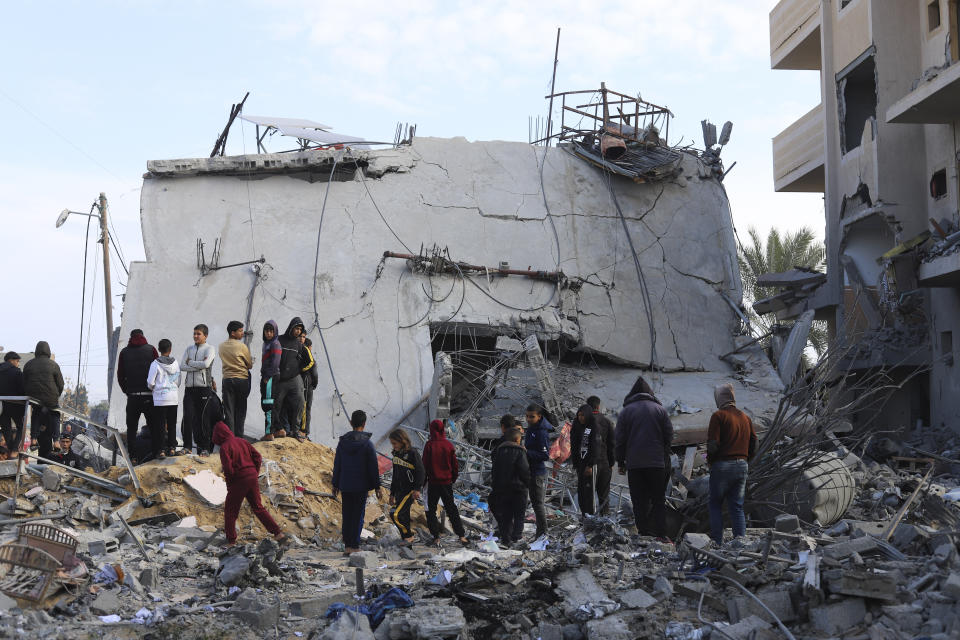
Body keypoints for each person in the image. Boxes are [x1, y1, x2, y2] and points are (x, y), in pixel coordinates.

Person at [615, 376, 673, 541]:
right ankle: (661, 534)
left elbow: (619, 440)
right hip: (656, 464)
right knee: (658, 499)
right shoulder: (660, 410)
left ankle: (644, 533)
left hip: (635, 465)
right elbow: (669, 435)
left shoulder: (626, 412)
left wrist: (620, 461)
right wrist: (663, 453)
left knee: (639, 500)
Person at [212, 421, 286, 546]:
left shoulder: (225, 447)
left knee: (231, 510)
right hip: (251, 476)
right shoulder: (242, 441)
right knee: (258, 507)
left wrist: (231, 485)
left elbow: (228, 469)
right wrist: (254, 471)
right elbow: (258, 456)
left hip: (239, 480)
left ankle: (231, 541)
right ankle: (278, 534)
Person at [707, 383, 758, 547]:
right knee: (736, 506)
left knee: (715, 504)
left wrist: (710, 461)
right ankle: (740, 544)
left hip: (722, 465)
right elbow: (754, 443)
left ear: (719, 399)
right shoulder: (745, 417)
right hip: (742, 466)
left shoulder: (718, 416)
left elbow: (713, 444)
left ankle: (717, 543)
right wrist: (746, 459)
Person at [332, 410, 382, 554]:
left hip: (345, 485)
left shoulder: (342, 443)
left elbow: (338, 465)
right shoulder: (367, 444)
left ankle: (348, 545)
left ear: (351, 423)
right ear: (364, 424)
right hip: (361, 486)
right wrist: (377, 486)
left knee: (347, 514)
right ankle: (354, 545)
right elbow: (373, 467)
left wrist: (335, 484)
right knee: (358, 515)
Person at [422, 419, 468, 545]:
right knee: (451, 508)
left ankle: (436, 537)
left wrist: (422, 482)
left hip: (432, 483)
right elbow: (455, 465)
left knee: (430, 510)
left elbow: (424, 465)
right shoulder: (448, 445)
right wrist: (452, 479)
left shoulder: (429, 445)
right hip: (446, 482)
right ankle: (461, 535)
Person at [117, 329, 159, 464]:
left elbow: (120, 375)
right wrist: (154, 389)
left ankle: (133, 457)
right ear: (143, 336)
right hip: (149, 396)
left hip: (133, 396)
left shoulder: (124, 352)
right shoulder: (151, 350)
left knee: (132, 429)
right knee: (154, 426)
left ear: (130, 337)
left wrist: (127, 390)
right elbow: (159, 371)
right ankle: (157, 453)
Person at [22, 341, 64, 459]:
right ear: (48, 351)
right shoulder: (53, 365)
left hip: (34, 397)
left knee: (36, 414)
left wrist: (28, 394)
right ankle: (56, 441)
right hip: (51, 397)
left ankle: (34, 439)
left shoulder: (28, 364)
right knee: (55, 414)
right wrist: (56, 396)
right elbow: (60, 384)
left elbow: (23, 382)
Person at [490, 426, 530, 548]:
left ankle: (505, 539)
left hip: (502, 490)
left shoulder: (498, 451)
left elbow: (494, 471)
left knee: (506, 515)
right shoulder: (520, 452)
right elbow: (524, 471)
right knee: (519, 515)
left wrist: (496, 487)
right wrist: (528, 484)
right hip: (518, 489)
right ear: (518, 440)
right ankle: (516, 537)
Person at [181, 324, 216, 456]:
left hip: (204, 389)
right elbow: (181, 366)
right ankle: (187, 446)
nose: (195, 336)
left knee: (203, 419)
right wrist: (197, 365)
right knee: (188, 417)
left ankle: (205, 448)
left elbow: (206, 364)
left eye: (198, 334)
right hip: (189, 389)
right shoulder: (189, 349)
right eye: (194, 333)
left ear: (205, 336)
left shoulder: (210, 349)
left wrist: (190, 363)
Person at [570, 404, 607, 518]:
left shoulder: (593, 427)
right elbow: (574, 445)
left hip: (590, 464)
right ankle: (584, 516)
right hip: (580, 463)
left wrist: (590, 465)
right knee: (582, 492)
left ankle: (591, 517)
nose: (581, 417)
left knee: (589, 492)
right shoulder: (576, 426)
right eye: (579, 415)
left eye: (583, 415)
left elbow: (596, 447)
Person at [388, 428, 425, 545]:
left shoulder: (413, 453)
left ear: (402, 440)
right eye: (392, 444)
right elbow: (395, 475)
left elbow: (421, 471)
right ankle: (406, 539)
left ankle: (408, 535)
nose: (393, 446)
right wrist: (392, 493)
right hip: (399, 490)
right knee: (403, 515)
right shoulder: (396, 455)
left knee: (395, 514)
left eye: (395, 443)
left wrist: (417, 488)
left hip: (409, 490)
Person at [147, 338, 181, 457]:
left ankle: (161, 450)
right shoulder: (175, 363)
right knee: (172, 425)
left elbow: (150, 382)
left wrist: (156, 389)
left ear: (159, 349)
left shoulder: (155, 364)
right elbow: (178, 380)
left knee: (160, 426)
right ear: (170, 349)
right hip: (173, 398)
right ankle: (172, 448)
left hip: (160, 400)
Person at [275, 317, 308, 441]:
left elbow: (309, 361)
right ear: (291, 327)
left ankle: (296, 430)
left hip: (294, 379)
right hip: (280, 379)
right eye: (296, 328)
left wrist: (298, 370)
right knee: (277, 404)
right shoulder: (279, 340)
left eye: (300, 329)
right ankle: (277, 429)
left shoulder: (299, 345)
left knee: (300, 401)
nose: (298, 331)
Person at [524, 404, 554, 539]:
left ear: (539, 417)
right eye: (527, 416)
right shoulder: (532, 429)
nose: (528, 419)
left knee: (538, 504)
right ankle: (540, 531)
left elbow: (544, 455)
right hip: (529, 470)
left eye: (532, 417)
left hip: (537, 472)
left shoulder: (541, 432)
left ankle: (543, 532)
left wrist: (527, 452)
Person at [218, 321, 253, 438]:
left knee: (229, 410)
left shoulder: (221, 346)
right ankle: (239, 437)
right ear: (233, 333)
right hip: (241, 380)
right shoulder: (242, 346)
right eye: (240, 331)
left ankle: (230, 438)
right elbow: (249, 364)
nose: (242, 333)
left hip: (227, 379)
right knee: (241, 410)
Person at [586, 396, 616, 515]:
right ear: (598, 406)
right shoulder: (607, 422)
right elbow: (612, 444)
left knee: (588, 494)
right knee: (603, 495)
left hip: (589, 465)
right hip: (604, 463)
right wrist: (611, 462)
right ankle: (604, 521)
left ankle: (588, 523)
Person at [259, 320, 282, 441]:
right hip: (267, 376)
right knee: (269, 403)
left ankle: (269, 432)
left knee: (267, 403)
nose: (268, 333)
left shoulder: (275, 343)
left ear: (275, 332)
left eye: (271, 331)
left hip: (271, 377)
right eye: (266, 331)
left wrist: (267, 376)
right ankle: (279, 429)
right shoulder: (266, 343)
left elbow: (275, 362)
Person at [0, 352, 25, 454]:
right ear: (11, 360)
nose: (18, 364)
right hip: (15, 404)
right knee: (21, 427)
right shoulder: (17, 372)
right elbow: (22, 389)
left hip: (1, 405)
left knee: (6, 428)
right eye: (17, 361)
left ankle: (10, 449)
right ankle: (14, 449)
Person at [299, 336, 318, 438]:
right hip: (308, 384)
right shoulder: (310, 358)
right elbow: (314, 373)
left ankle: (305, 430)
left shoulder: (302, 356)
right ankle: (304, 430)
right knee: (306, 407)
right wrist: (315, 383)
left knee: (305, 407)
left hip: (306, 384)